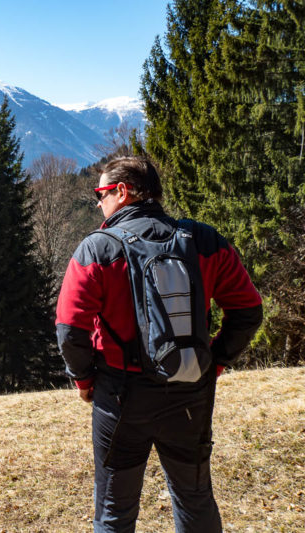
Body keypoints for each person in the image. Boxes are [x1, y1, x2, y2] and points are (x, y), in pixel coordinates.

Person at [55, 157, 263, 533]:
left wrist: (84, 380)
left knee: (114, 511)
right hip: (190, 390)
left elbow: (70, 329)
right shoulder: (205, 240)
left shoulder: (97, 249)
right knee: (194, 500)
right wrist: (215, 361)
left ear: (121, 192)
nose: (98, 204)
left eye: (100, 194)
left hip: (120, 396)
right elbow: (248, 310)